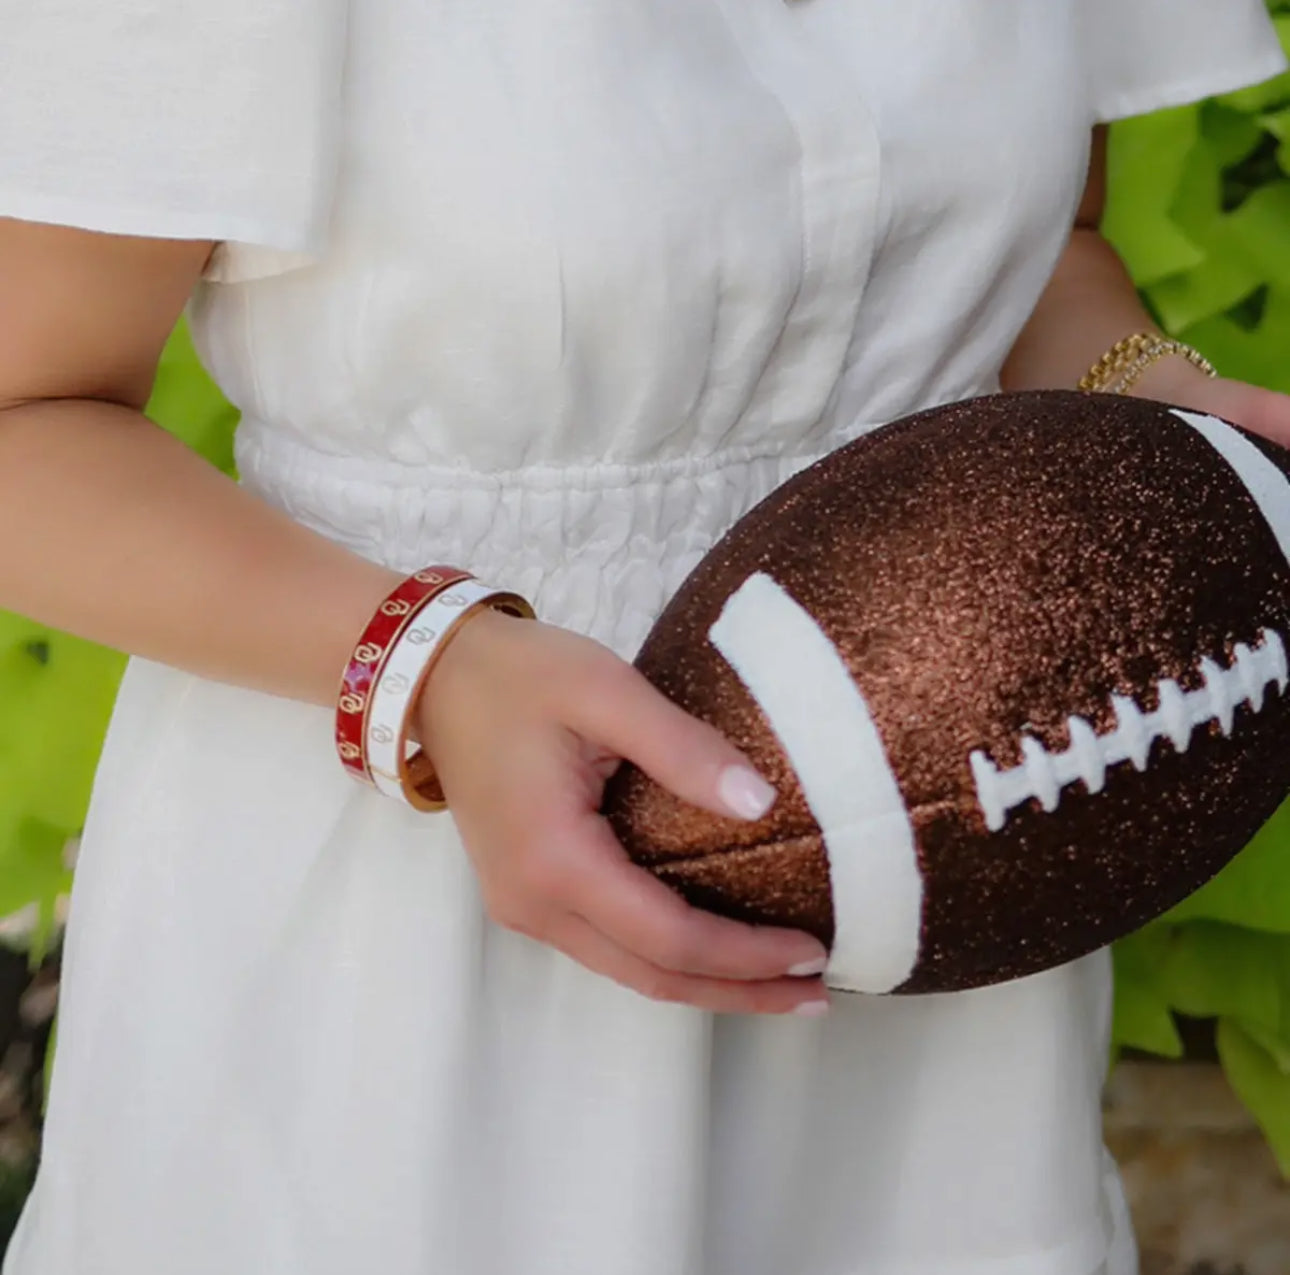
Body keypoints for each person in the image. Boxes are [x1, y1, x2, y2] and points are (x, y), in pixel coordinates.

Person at [0, 2, 1287, 1272]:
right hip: (413, 919)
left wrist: (1146, 394)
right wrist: (435, 664)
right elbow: (25, 419)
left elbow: (1035, 254)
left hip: (935, 875)